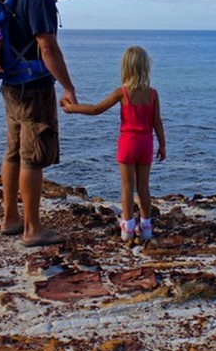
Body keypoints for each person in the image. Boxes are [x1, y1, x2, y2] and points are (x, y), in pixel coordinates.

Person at [0, 0, 112, 247]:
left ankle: (10, 218)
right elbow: (47, 48)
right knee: (32, 158)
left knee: (13, 153)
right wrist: (68, 87)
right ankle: (32, 230)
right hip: (34, 88)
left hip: (12, 85)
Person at [61, 46, 167, 242]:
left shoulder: (122, 93)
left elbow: (95, 110)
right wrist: (162, 145)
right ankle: (146, 227)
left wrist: (72, 108)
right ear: (146, 68)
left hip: (128, 143)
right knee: (143, 187)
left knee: (127, 187)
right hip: (146, 144)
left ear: (126, 68)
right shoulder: (152, 94)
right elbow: (157, 122)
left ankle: (127, 228)